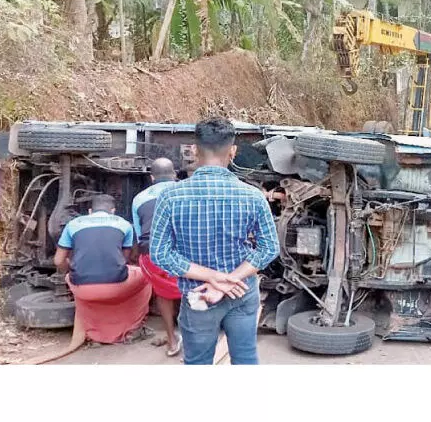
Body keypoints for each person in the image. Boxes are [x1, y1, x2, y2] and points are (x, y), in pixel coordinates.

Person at [151, 117, 280, 365]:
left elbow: (160, 253)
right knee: (245, 360)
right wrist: (230, 279)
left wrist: (212, 278)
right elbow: (269, 248)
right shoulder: (253, 196)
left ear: (194, 150)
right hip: (241, 291)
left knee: (198, 363)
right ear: (232, 152)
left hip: (198, 296)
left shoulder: (171, 196)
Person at [55, 194, 152, 344]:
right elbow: (123, 260)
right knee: (147, 275)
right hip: (115, 286)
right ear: (113, 211)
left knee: (73, 277)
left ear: (89, 211)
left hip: (82, 288)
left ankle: (94, 332)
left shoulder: (73, 224)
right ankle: (133, 328)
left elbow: (58, 260)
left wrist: (71, 268)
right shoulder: (124, 224)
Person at [131, 158, 182, 356]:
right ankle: (195, 338)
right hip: (183, 253)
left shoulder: (138, 198)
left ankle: (171, 340)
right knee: (193, 289)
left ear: (152, 178)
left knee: (162, 293)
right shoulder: (185, 189)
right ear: (175, 175)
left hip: (153, 256)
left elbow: (139, 235)